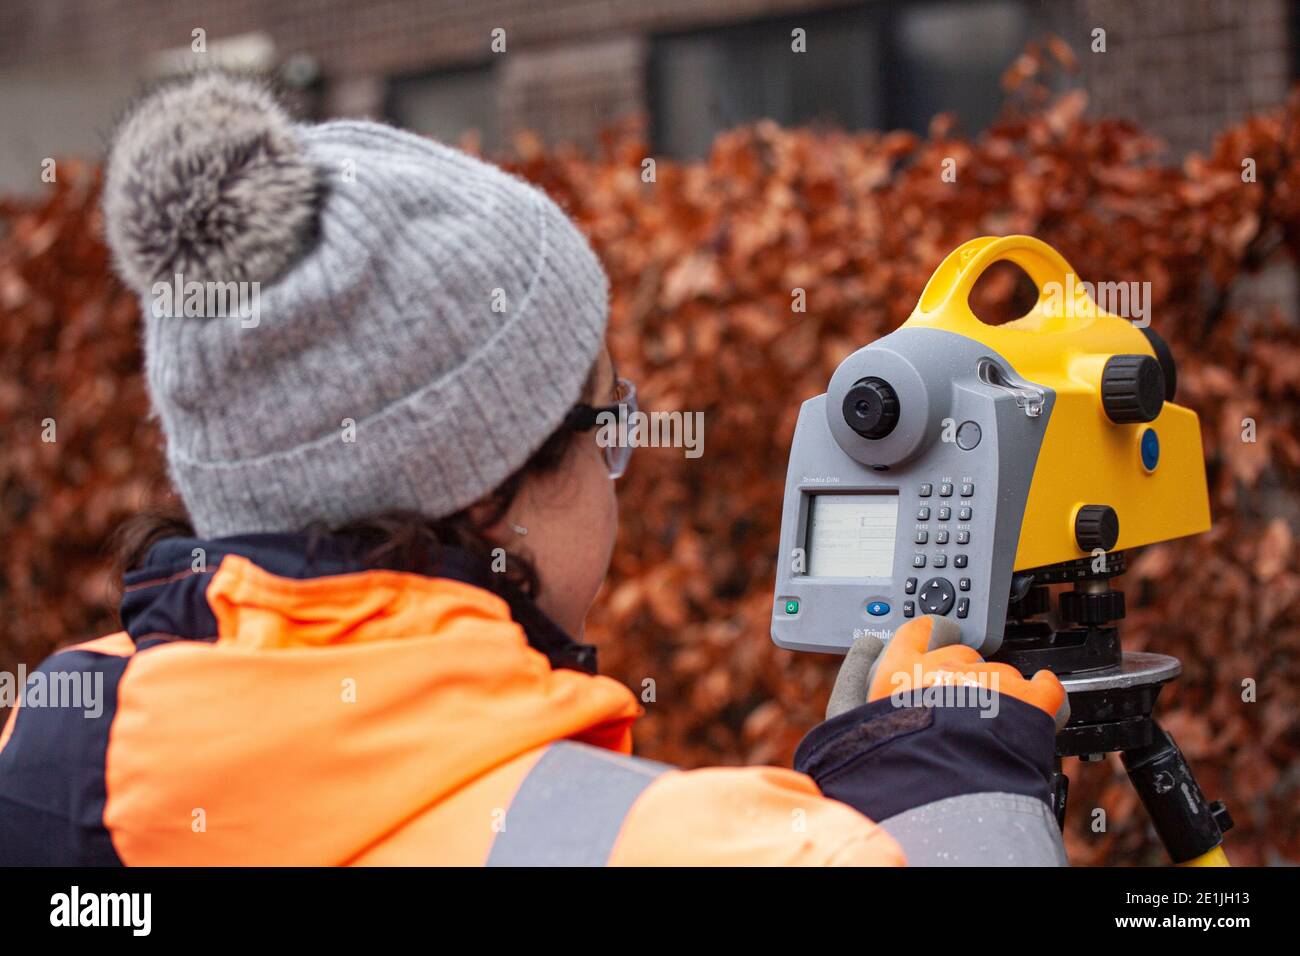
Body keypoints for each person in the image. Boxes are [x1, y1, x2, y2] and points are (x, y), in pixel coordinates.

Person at [0, 71, 1067, 866]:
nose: (622, 461)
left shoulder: (46, 752)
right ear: (488, 491)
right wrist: (948, 793)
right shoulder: (699, 850)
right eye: (610, 419)